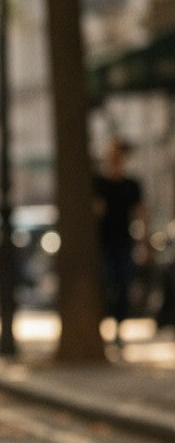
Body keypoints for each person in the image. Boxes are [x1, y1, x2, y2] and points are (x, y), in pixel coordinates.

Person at [92, 138, 145, 345]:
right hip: (103, 244)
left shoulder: (131, 185)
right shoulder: (98, 183)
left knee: (123, 286)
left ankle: (118, 330)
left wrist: (143, 242)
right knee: (105, 284)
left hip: (123, 243)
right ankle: (104, 325)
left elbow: (141, 213)